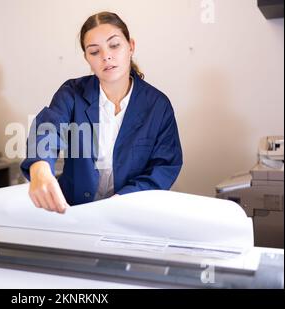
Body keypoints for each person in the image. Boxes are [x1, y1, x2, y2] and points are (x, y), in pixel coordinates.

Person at [20, 12, 183, 214]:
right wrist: (40, 168)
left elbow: (164, 166)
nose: (106, 56)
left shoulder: (158, 106)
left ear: (130, 46)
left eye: (114, 45)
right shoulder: (72, 93)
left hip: (132, 213)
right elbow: (48, 127)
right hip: (73, 212)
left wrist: (121, 201)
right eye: (94, 51)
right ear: (87, 57)